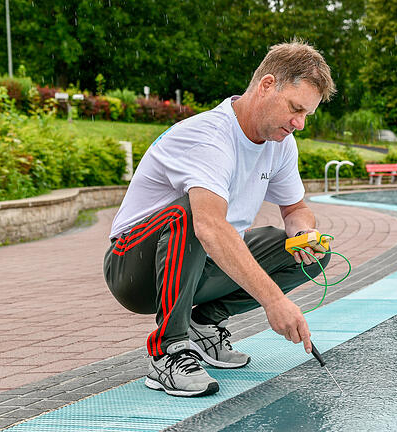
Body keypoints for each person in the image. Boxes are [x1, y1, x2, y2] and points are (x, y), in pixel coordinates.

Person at [103, 41, 336, 397]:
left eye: (307, 114)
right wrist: (274, 301)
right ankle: (167, 350)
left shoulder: (281, 143)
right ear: (267, 85)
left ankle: (202, 324)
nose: (299, 124)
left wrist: (303, 233)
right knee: (195, 216)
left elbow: (295, 209)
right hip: (134, 270)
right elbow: (209, 227)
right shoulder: (209, 137)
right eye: (295, 109)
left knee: (309, 253)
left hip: (199, 265)